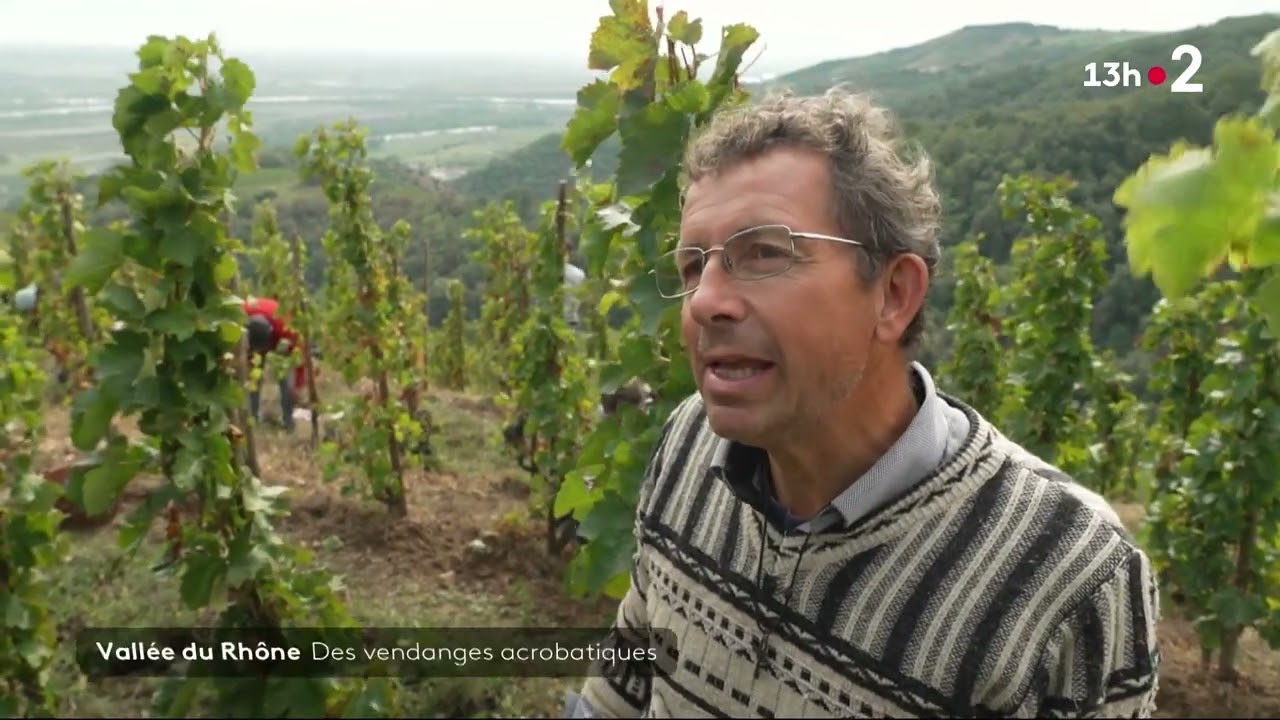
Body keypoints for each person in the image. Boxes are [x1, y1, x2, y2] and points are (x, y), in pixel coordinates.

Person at [564, 88, 1160, 718]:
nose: (705, 301)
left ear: (894, 295)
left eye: (764, 252)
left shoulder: (1069, 574)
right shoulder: (689, 442)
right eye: (692, 265)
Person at [243, 296, 307, 431]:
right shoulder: (240, 314)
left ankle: (288, 422)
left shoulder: (285, 327)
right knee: (253, 378)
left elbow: (299, 355)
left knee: (287, 382)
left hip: (280, 341)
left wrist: (298, 384)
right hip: (251, 341)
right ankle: (252, 420)